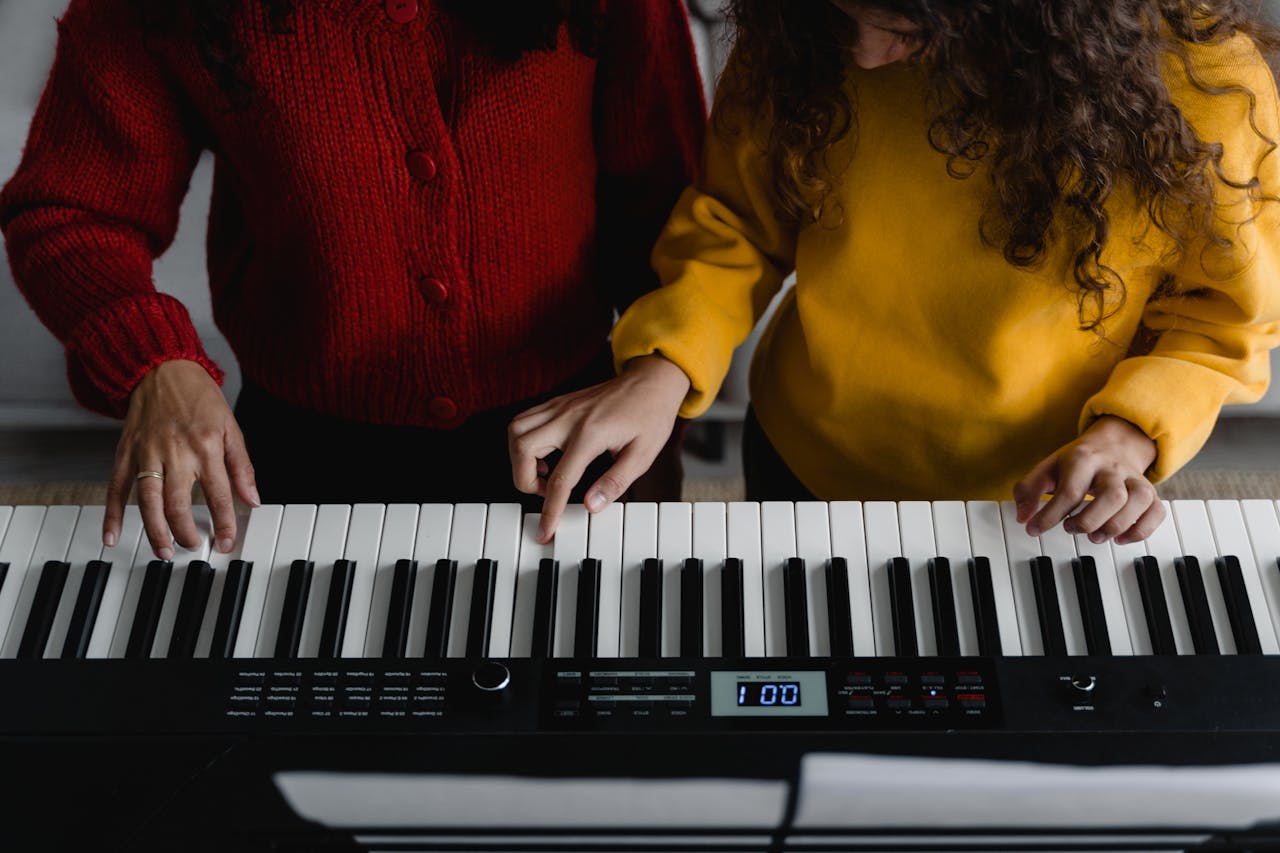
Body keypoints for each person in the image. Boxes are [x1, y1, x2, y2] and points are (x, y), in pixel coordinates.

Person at [511, 0, 1280, 545]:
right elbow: (739, 221)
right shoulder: (806, 33)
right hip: (803, 453)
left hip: (1035, 492)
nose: (866, 55)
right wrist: (664, 364)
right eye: (849, 17)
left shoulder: (1204, 89)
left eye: (907, 25)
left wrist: (1129, 436)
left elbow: (1224, 317)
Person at [0, 0, 704, 559]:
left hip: (582, 428)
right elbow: (70, 209)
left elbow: (671, 209)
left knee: (589, 713)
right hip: (306, 451)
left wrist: (660, 369)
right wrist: (155, 362)